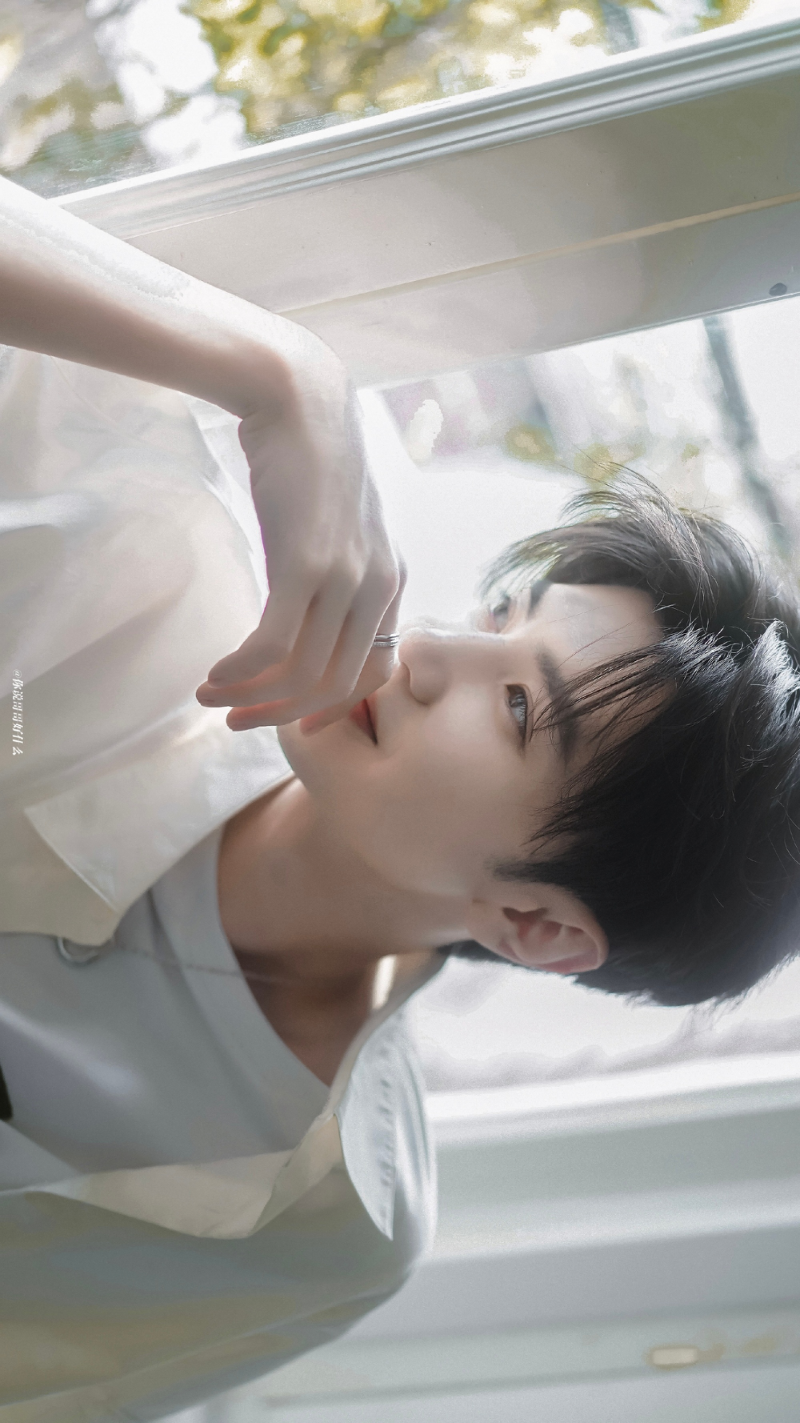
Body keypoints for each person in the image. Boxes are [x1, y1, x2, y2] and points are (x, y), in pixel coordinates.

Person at [1, 173, 800, 1422]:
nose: (425, 650)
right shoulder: (157, 567)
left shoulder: (319, 1227)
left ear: (534, 923)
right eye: (497, 615)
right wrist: (283, 375)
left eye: (519, 708)